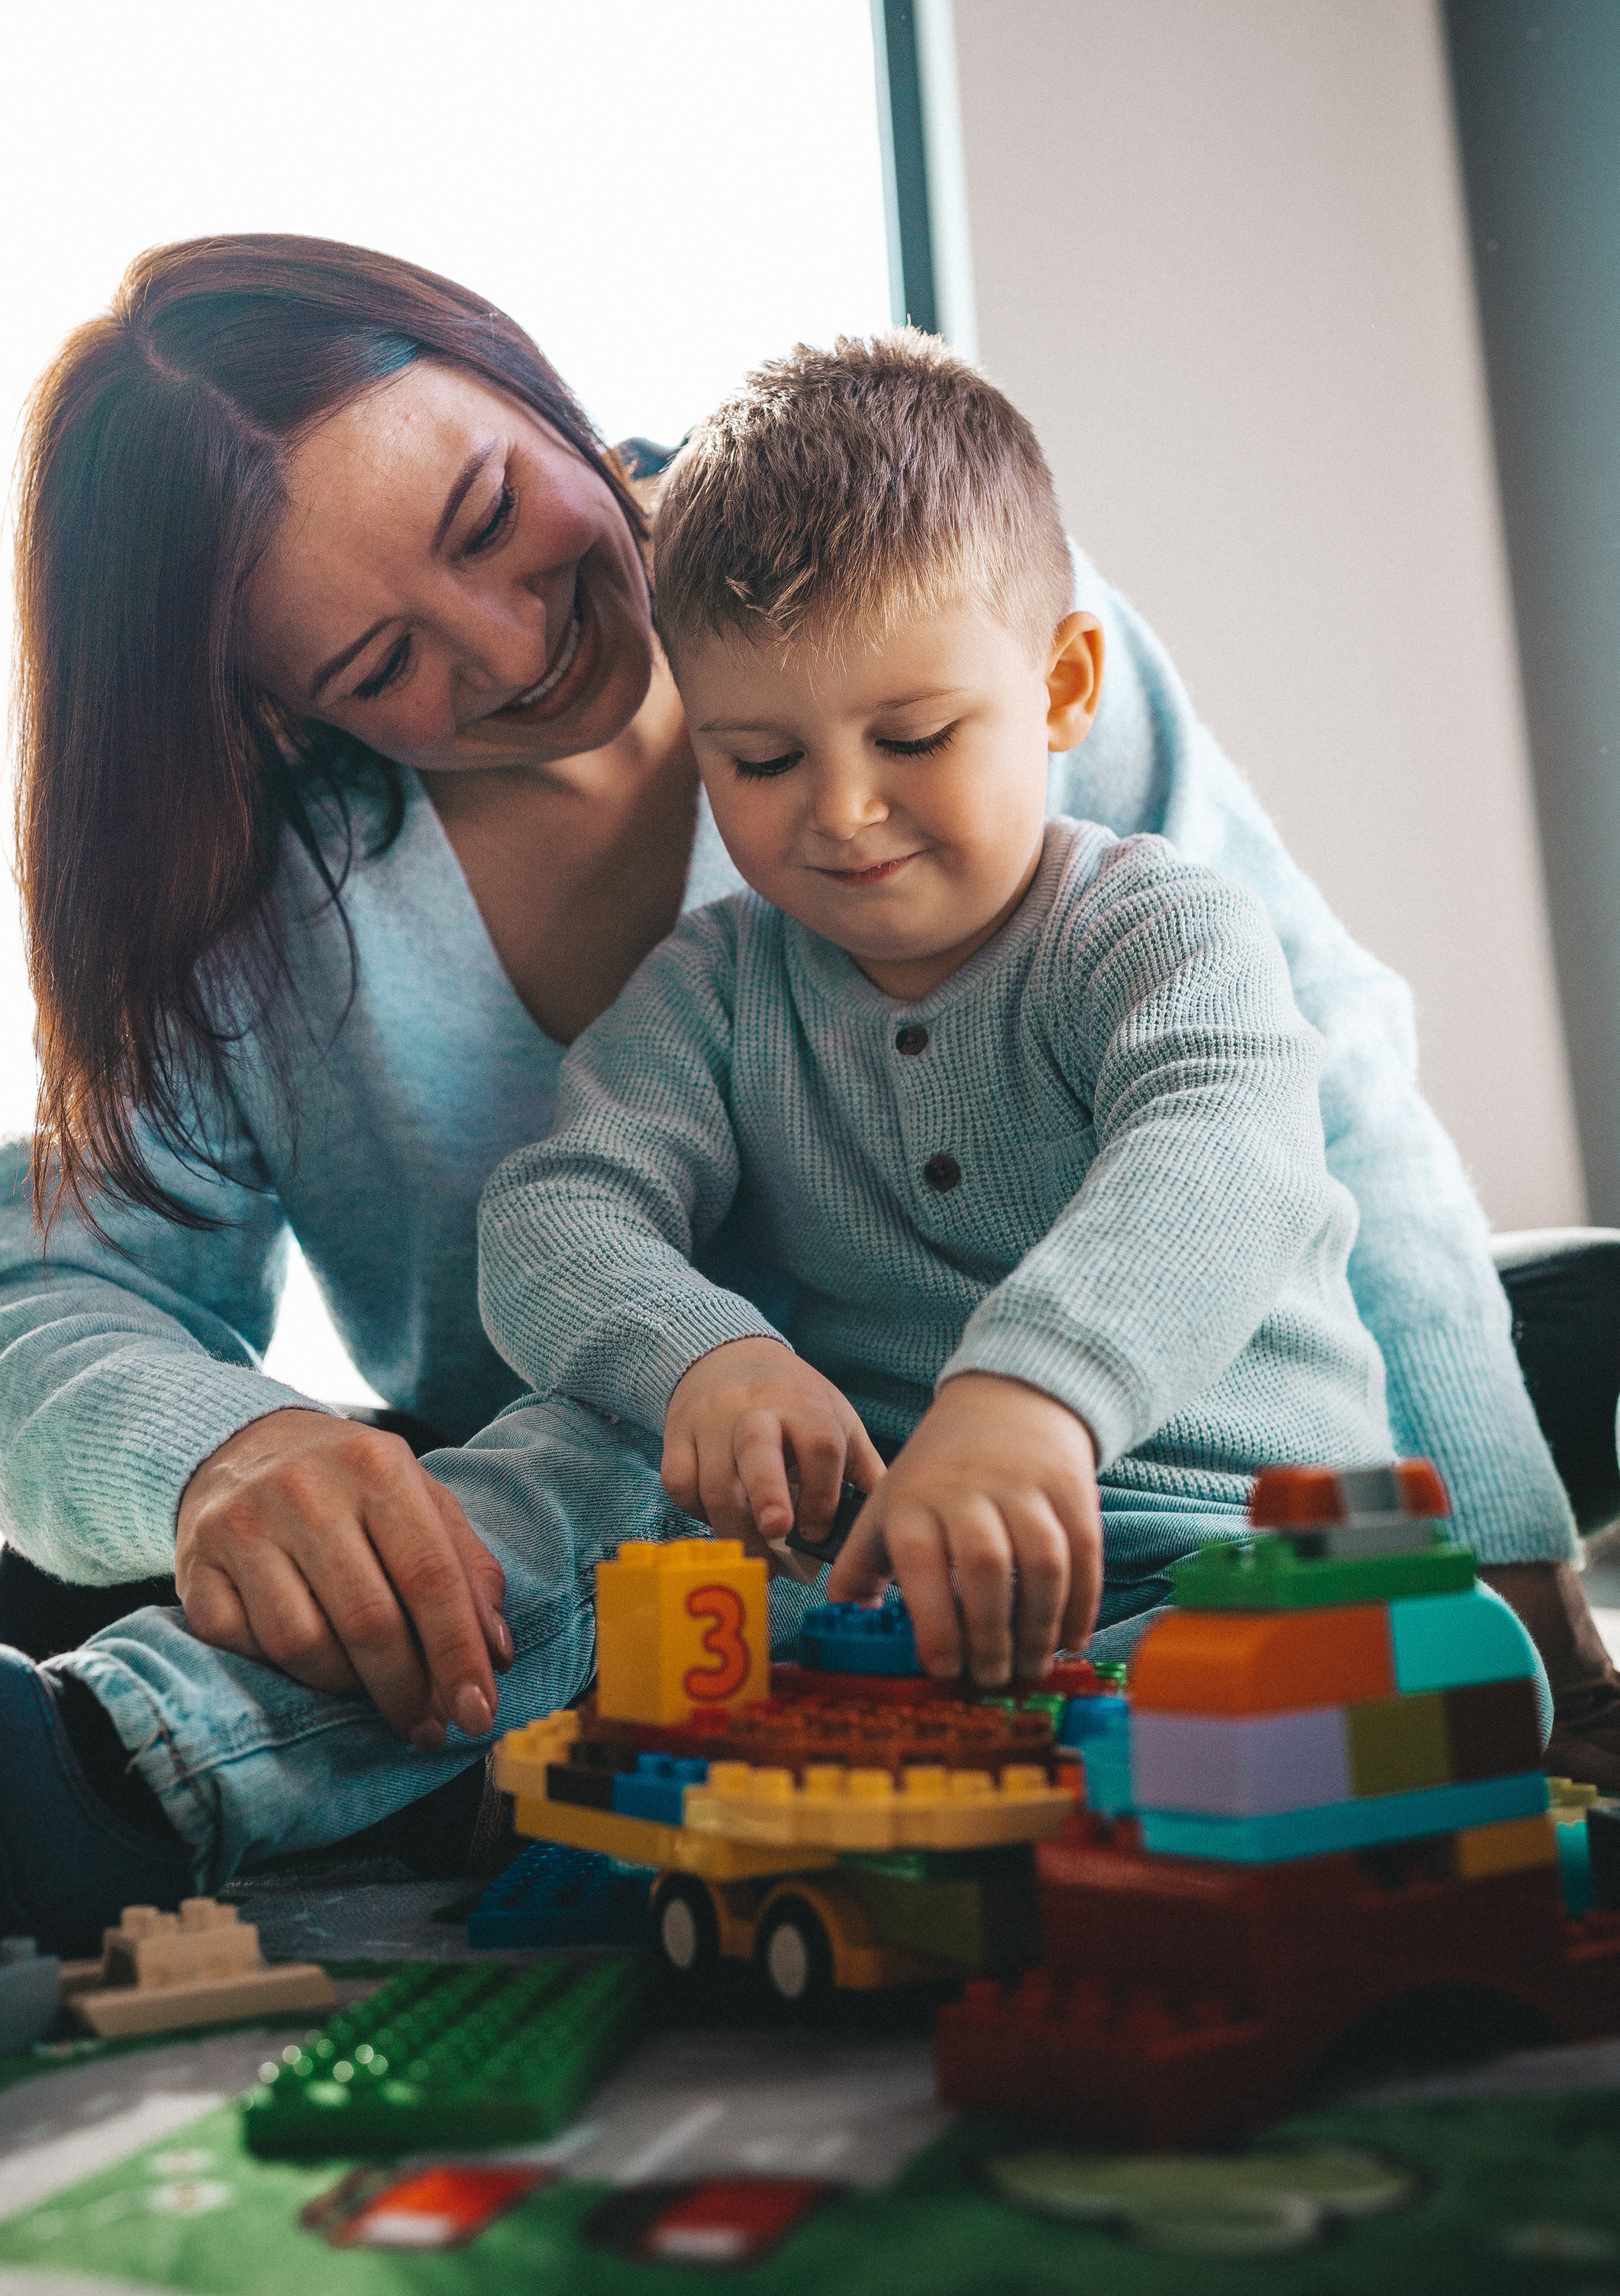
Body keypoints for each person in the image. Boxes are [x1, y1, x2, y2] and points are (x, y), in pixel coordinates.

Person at [0, 237, 1612, 1960]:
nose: (519, 641)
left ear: (521, 375)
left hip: (1182, 1423)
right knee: (425, 1515)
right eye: (381, 661)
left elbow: (1290, 1104)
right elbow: (54, 1299)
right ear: (286, 712)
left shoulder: (926, 598)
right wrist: (224, 1458)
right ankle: (85, 1772)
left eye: (493, 510)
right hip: (677, 1495)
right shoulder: (342, 926)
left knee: (1515, 1367)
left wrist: (1509, 1576)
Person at [479, 333, 1409, 1690]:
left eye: (913, 738)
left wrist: (1028, 1398)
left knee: (1341, 1663)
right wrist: (707, 1359)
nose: (844, 812)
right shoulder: (714, 989)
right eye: (765, 757)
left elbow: (1222, 1164)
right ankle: (157, 1751)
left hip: (1251, 1548)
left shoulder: (1161, 929)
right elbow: (552, 1210)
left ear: (1064, 690)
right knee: (574, 1484)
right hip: (892, 1580)